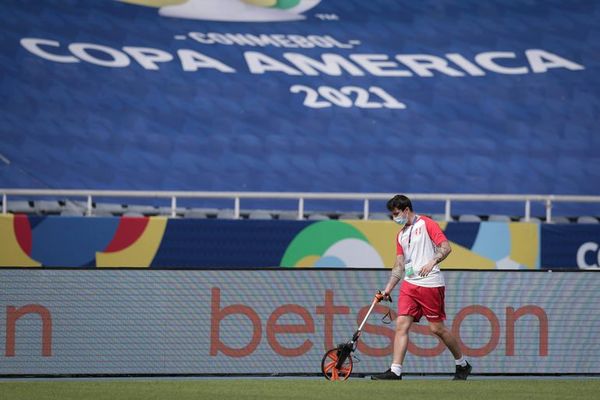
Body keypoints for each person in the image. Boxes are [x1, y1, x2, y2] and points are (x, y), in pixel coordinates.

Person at [371, 194, 472, 380]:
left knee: (436, 329)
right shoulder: (400, 235)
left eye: (396, 213)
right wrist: (387, 289)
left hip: (430, 284)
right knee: (401, 324)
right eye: (392, 214)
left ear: (406, 210)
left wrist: (432, 261)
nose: (395, 217)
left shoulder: (426, 223)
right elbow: (399, 265)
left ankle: (462, 364)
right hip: (409, 284)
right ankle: (395, 371)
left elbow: (446, 247)